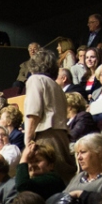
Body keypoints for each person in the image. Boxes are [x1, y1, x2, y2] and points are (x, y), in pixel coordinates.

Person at [22, 49, 75, 182]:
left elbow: (34, 112)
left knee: (44, 180)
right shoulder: (57, 86)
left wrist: (28, 140)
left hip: (46, 137)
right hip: (62, 137)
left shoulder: (35, 79)